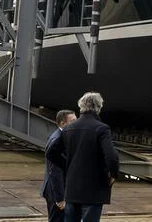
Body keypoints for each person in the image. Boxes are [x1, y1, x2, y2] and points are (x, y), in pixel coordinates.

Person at [46, 92, 119, 222]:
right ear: (99, 107)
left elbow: (51, 152)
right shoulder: (102, 129)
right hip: (93, 190)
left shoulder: (69, 128)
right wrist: (113, 174)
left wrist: (67, 165)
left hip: (72, 189)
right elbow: (112, 156)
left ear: (81, 107)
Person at [41, 109, 76, 222]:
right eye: (73, 121)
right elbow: (55, 172)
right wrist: (60, 199)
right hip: (55, 191)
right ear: (62, 123)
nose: (76, 124)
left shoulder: (62, 136)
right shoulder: (58, 139)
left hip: (57, 189)